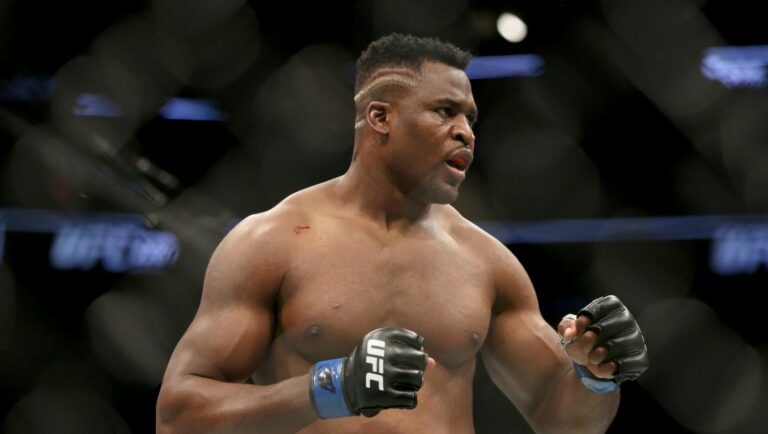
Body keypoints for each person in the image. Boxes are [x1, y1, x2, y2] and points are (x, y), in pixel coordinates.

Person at [156, 33, 649, 434]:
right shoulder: (275, 241)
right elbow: (177, 417)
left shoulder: (486, 261)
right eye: (445, 111)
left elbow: (565, 423)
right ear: (380, 117)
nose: (466, 132)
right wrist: (334, 387)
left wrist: (596, 375)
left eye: (471, 118)